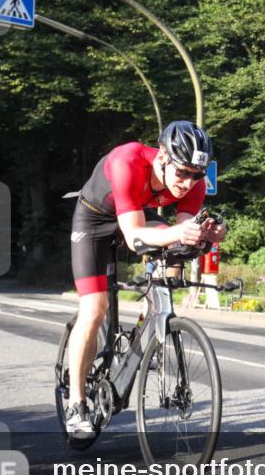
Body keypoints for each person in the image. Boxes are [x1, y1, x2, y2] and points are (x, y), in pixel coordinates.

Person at [66, 120, 226, 439]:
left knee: (173, 257)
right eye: (183, 173)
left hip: (136, 213)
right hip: (95, 220)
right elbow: (134, 236)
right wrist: (179, 232)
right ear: (163, 157)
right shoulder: (127, 161)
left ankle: (154, 329)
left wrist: (205, 237)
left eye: (197, 175)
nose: (189, 183)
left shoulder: (193, 183)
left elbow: (181, 237)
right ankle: (76, 403)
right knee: (95, 309)